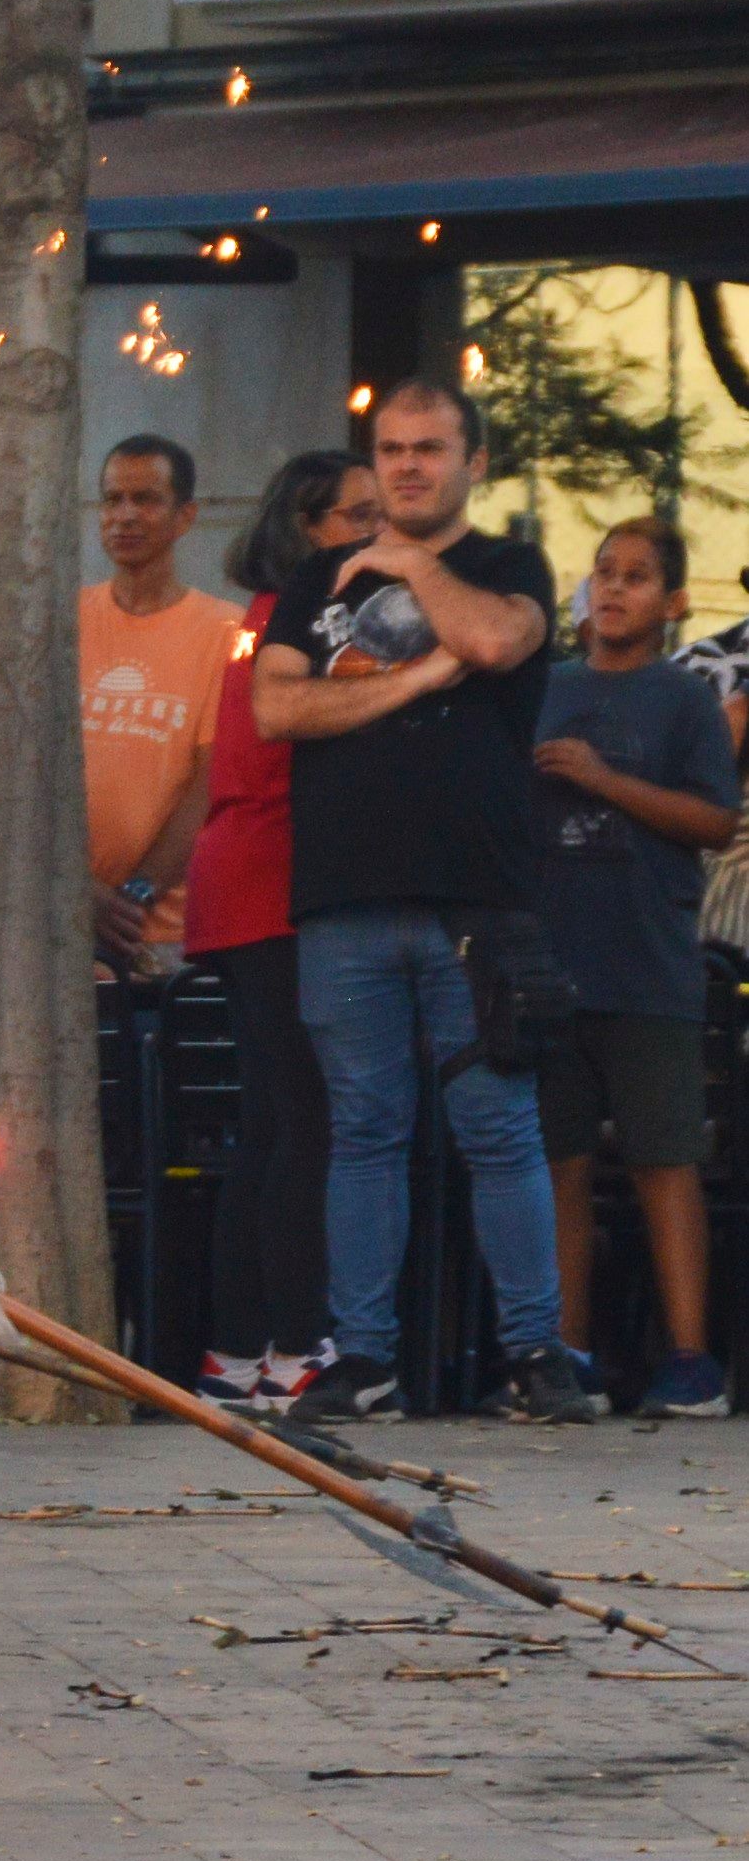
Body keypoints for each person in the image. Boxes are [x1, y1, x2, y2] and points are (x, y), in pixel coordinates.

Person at [249, 378, 581, 1422]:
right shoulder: (314, 579)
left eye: (429, 447)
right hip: (344, 898)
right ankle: (366, 1357)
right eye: (390, 448)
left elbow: (492, 643)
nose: (406, 465)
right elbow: (275, 704)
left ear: (473, 460)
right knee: (364, 1132)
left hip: (478, 899)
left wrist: (411, 569)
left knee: (500, 1127)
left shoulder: (510, 564)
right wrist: (410, 679)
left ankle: (534, 1352)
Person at [533, 517, 736, 1417]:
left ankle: (689, 1358)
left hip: (648, 961)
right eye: (603, 572)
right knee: (559, 1160)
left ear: (674, 600)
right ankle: (567, 1353)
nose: (613, 589)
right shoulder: (544, 689)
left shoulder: (684, 700)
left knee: (663, 1158)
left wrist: (603, 779)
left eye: (638, 577)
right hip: (550, 960)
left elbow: (713, 822)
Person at [182, 451, 371, 1404]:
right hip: (271, 883)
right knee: (301, 1125)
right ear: (307, 525)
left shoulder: (257, 626)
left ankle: (240, 1349)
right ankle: (295, 1345)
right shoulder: (286, 629)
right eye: (357, 515)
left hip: (246, 882)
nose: (378, 531)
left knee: (271, 1127)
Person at [78, 434, 240, 981]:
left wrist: (133, 896)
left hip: (163, 933)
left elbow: (210, 780)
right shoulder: (64, 620)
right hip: (61, 918)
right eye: (112, 499)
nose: (124, 516)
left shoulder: (226, 632)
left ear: (185, 516)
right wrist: (79, 890)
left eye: (145, 499)